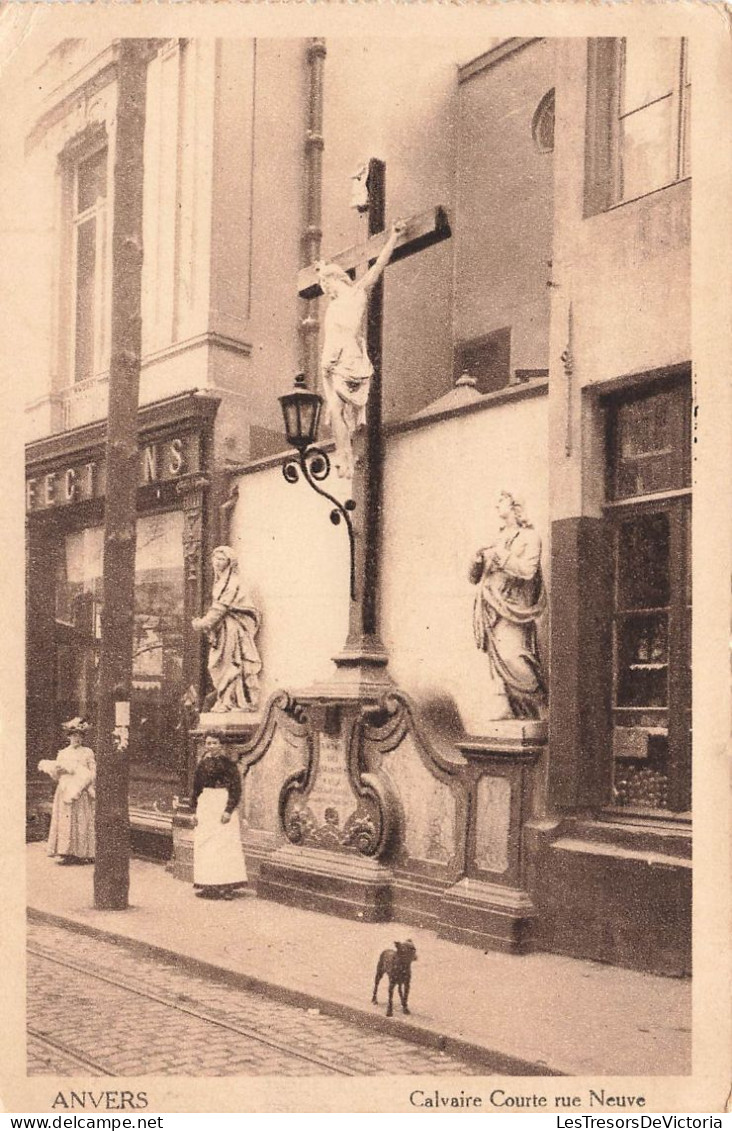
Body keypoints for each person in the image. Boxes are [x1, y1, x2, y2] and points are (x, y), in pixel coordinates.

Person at [316, 218, 407, 478]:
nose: (326, 291)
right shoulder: (333, 305)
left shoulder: (356, 294)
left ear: (336, 279)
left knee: (337, 408)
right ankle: (343, 454)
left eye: (327, 285)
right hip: (332, 361)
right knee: (335, 409)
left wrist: (394, 237)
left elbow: (377, 267)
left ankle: (346, 454)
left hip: (351, 361)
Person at [470, 491, 547, 719]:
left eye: (500, 501)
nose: (496, 505)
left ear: (515, 507)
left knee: (513, 656)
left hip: (514, 608)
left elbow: (528, 570)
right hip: (490, 606)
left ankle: (539, 706)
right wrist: (476, 560)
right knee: (496, 659)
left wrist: (501, 555)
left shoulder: (530, 537)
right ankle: (508, 708)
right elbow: (475, 577)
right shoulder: (496, 537)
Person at [192, 546, 262, 713]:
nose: (217, 562)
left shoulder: (232, 582)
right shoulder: (221, 581)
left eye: (222, 559)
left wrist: (202, 623)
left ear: (230, 562)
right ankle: (227, 700)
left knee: (229, 663)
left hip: (231, 628)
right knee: (219, 664)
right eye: (215, 558)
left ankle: (230, 701)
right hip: (222, 628)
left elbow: (220, 608)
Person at [191, 730, 248, 900]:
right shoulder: (202, 764)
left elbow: (235, 789)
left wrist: (228, 810)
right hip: (206, 805)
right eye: (208, 743)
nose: (211, 746)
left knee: (224, 845)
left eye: (215, 743)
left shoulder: (229, 765)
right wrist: (193, 811)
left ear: (221, 745)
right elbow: (196, 789)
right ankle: (209, 884)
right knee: (206, 844)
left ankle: (227, 886)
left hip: (221, 802)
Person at [38, 718, 96, 865]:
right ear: (69, 736)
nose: (77, 738)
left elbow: (93, 772)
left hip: (80, 790)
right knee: (65, 820)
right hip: (65, 789)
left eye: (80, 736)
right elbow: (56, 775)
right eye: (74, 735)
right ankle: (66, 852)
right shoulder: (63, 753)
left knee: (80, 820)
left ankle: (81, 853)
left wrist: (84, 779)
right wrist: (58, 771)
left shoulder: (87, 752)